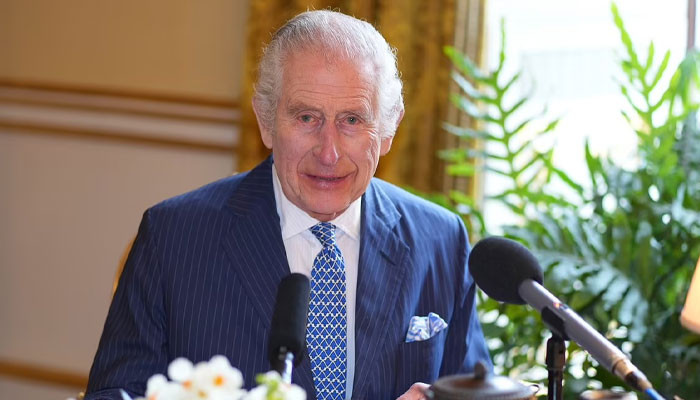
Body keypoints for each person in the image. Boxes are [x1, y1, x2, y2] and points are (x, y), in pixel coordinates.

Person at [85, 10, 491, 400]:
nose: (328, 153)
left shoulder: (441, 239)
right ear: (265, 121)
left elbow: (475, 389)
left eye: (351, 120)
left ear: (387, 130)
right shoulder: (173, 238)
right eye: (306, 118)